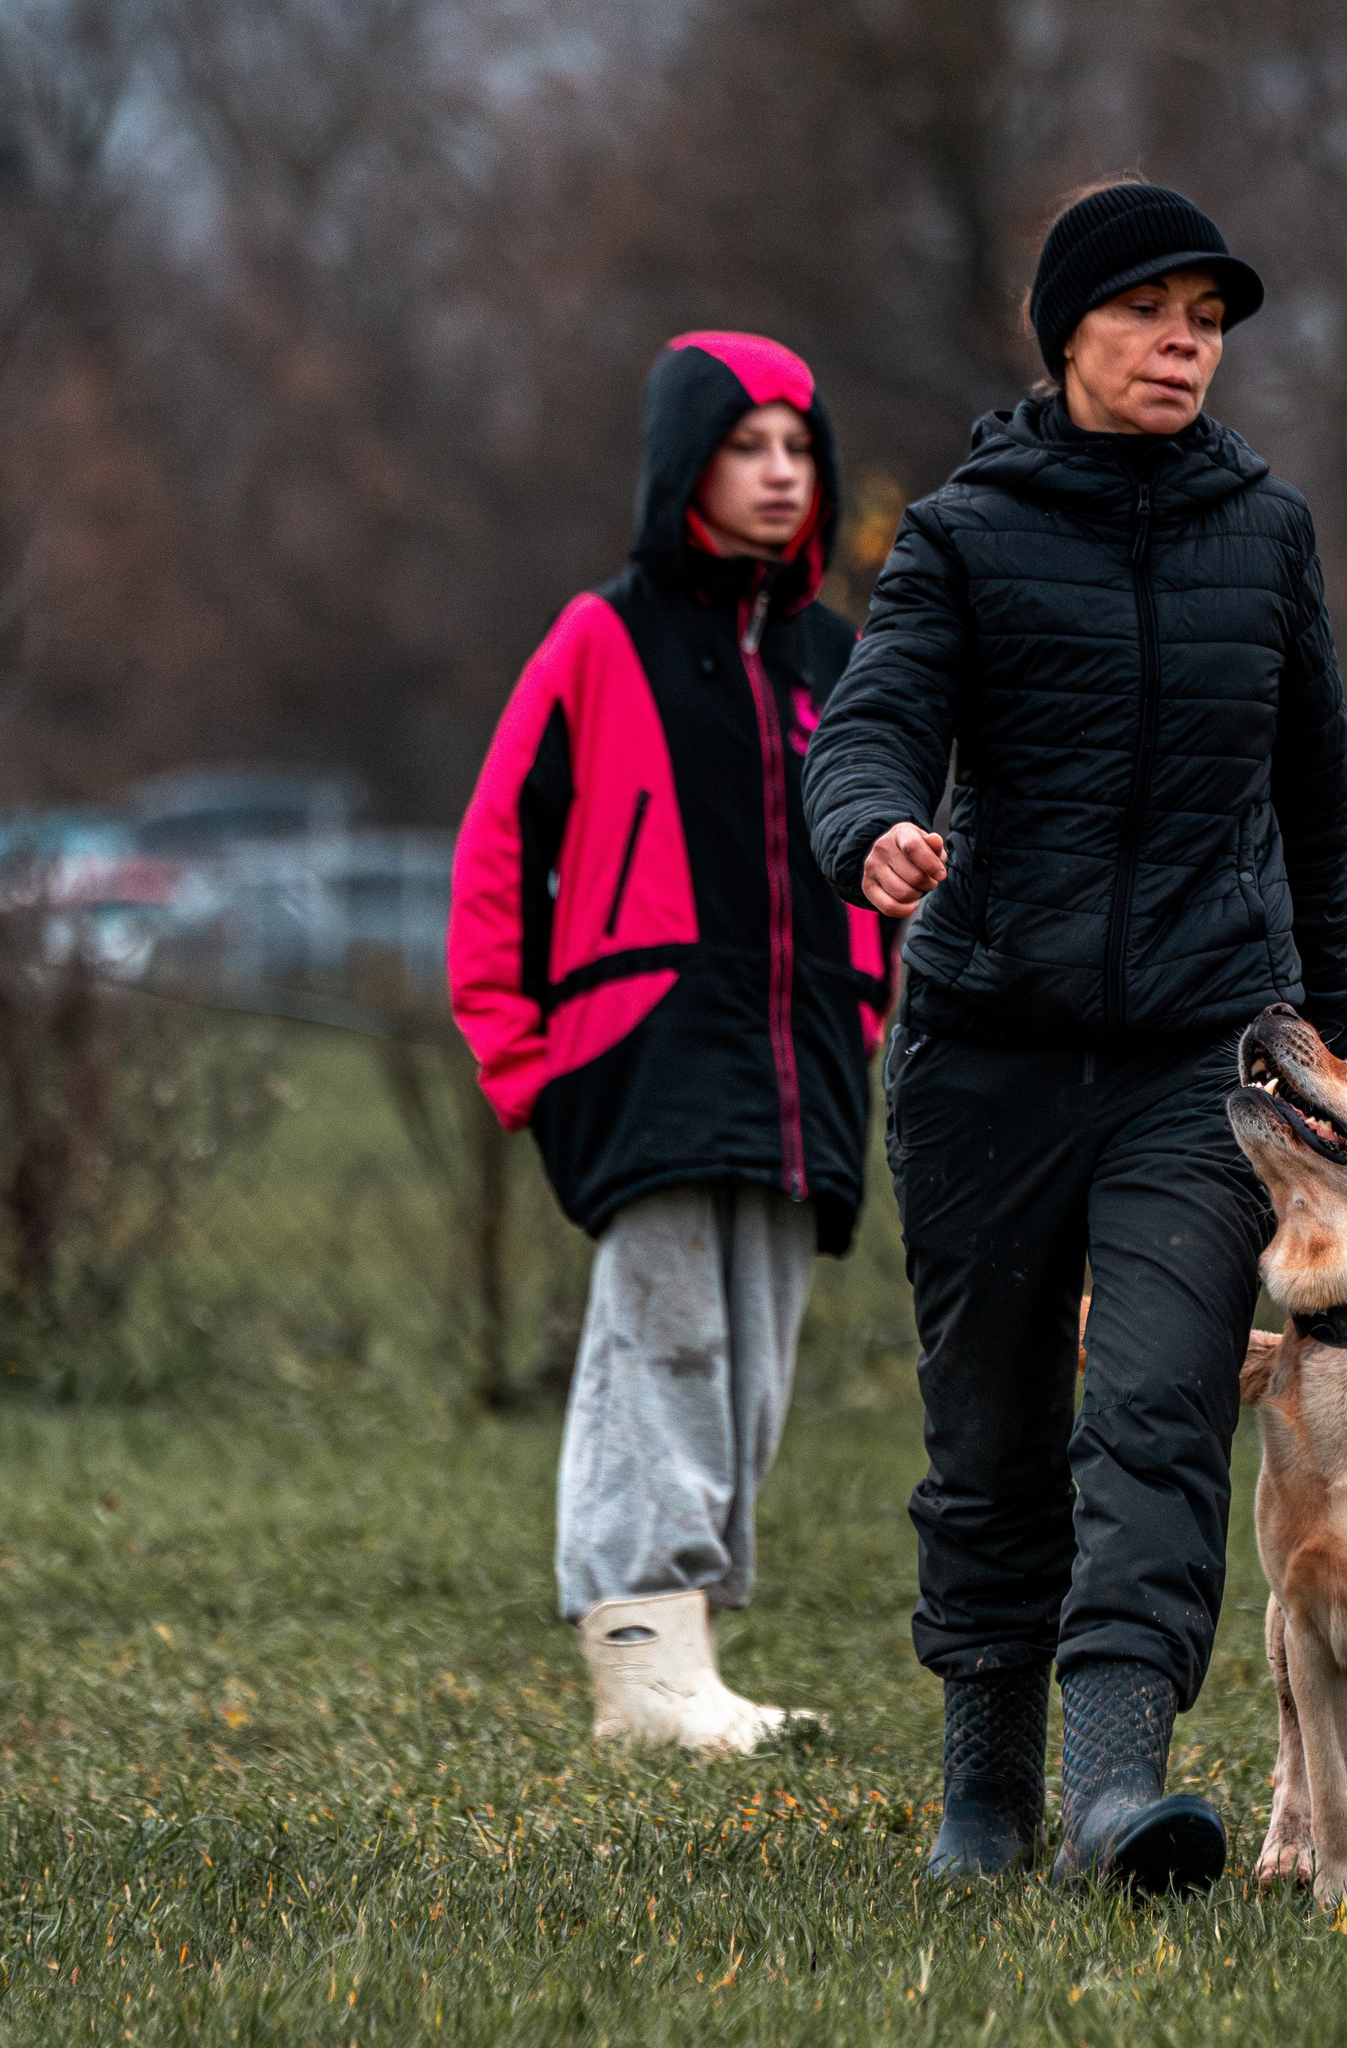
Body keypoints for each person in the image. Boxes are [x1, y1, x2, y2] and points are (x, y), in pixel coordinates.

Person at [802, 181, 1347, 1890]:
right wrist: (871, 831)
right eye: (1145, 313)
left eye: (1206, 320)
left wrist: (1343, 1056)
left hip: (1199, 1056)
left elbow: (1316, 808)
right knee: (989, 1434)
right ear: (1065, 337)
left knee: (1157, 1409)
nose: (1182, 344)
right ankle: (985, 1794)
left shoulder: (1267, 535)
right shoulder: (964, 535)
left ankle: (1118, 1789)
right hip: (985, 1051)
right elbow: (870, 725)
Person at [449, 332, 890, 1753]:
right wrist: (513, 1049)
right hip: (643, 1050)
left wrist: (866, 1008)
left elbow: (881, 853)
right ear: (684, 463)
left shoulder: (836, 659)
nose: (780, 473)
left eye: (799, 448)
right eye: (747, 445)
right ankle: (642, 1672)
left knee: (750, 1363)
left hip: (803, 1065)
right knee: (664, 1347)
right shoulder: (602, 636)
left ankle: (683, 1666)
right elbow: (499, 841)